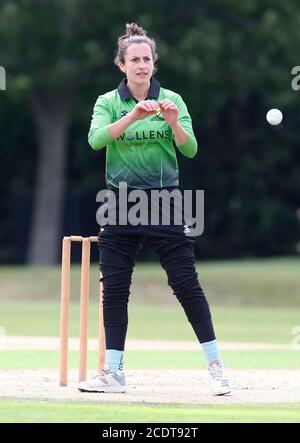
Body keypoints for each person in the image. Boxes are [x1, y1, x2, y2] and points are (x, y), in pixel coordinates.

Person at [78, 23, 231, 396]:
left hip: (165, 202)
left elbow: (190, 149)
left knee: (185, 284)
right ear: (121, 64)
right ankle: (113, 372)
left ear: (154, 63)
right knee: (114, 288)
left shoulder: (172, 100)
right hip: (119, 204)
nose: (142, 65)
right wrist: (133, 117)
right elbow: (96, 140)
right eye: (134, 59)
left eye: (147, 59)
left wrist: (175, 123)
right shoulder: (107, 102)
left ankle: (216, 367)